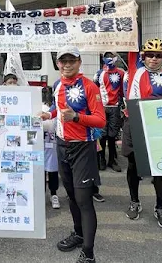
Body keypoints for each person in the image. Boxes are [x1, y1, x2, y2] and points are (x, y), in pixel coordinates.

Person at [40, 46, 106, 263]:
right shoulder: (58, 84)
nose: (67, 65)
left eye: (71, 61)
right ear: (58, 63)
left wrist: (77, 117)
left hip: (83, 148)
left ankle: (89, 252)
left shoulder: (90, 86)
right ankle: (78, 234)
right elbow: (57, 107)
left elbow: (100, 120)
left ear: (79, 62)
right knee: (70, 195)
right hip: (61, 146)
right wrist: (48, 113)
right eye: (63, 61)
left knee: (83, 199)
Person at [122, 38, 162, 229]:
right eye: (150, 55)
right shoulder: (134, 72)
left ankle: (160, 207)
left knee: (161, 168)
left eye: (159, 55)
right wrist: (132, 16)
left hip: (158, 128)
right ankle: (134, 201)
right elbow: (131, 45)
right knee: (133, 166)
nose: (154, 59)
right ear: (143, 56)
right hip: (135, 124)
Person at [93, 52, 125, 172]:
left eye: (112, 58)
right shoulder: (99, 74)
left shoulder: (121, 73)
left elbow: (123, 89)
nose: (110, 61)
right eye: (108, 59)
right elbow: (94, 89)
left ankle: (112, 159)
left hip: (115, 107)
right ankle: (101, 159)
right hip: (101, 107)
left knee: (112, 135)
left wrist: (122, 104)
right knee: (101, 135)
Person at [42, 86, 60, 209]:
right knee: (40, 170)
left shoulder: (56, 108)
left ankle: (54, 194)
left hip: (53, 142)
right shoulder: (38, 107)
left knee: (53, 170)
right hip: (40, 143)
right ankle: (41, 195)